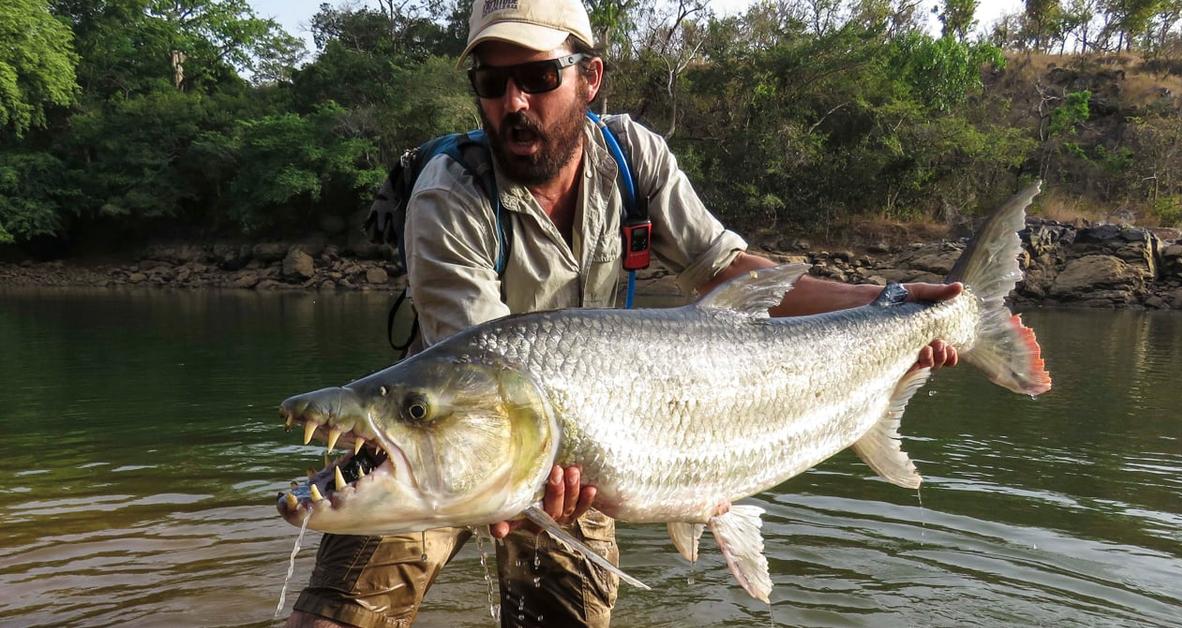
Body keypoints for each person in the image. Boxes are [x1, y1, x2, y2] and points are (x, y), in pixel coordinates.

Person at [288, 1, 959, 626]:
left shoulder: (635, 159)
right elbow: (476, 377)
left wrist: (889, 305)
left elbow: (724, 270)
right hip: (438, 438)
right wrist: (509, 479)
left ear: (590, 78)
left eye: (538, 75)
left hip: (581, 458)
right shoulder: (446, 198)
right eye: (492, 83)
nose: (513, 102)